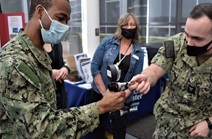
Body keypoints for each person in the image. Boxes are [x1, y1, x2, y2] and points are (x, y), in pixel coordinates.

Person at [0, 0, 126, 138]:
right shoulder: (15, 62)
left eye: (67, 21)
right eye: (60, 18)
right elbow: (41, 129)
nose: (64, 26)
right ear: (40, 12)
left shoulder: (38, 52)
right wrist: (101, 107)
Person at [129, 3, 212, 139]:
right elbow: (155, 69)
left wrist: (210, 123)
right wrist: (146, 77)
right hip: (165, 123)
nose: (189, 43)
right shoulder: (176, 43)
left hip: (198, 131)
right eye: (187, 34)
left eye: (197, 38)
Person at [90, 13, 144, 139]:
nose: (128, 27)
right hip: (100, 94)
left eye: (132, 25)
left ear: (136, 28)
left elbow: (135, 80)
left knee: (119, 132)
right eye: (125, 24)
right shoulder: (107, 42)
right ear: (120, 26)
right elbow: (94, 67)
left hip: (122, 99)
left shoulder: (139, 52)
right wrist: (106, 95)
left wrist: (120, 97)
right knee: (96, 128)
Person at [44, 43, 70, 109]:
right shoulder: (33, 46)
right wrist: (50, 74)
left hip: (59, 93)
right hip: (44, 95)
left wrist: (65, 68)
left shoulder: (57, 44)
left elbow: (60, 64)